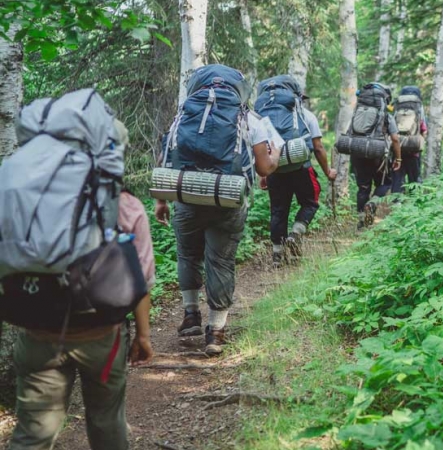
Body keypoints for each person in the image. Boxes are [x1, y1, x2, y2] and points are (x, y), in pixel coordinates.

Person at [9, 120, 155, 450]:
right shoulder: (127, 206)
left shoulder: (27, 201)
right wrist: (143, 337)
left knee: (33, 433)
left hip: (38, 336)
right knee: (107, 422)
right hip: (102, 338)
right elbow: (141, 283)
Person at [155, 65, 283, 355]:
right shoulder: (250, 118)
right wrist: (273, 158)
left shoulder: (185, 112)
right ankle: (216, 332)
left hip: (186, 195)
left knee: (188, 254)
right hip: (228, 199)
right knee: (221, 261)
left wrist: (161, 200)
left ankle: (190, 316)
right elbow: (264, 167)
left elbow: (168, 155)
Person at [255, 75, 337, 267]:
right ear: (296, 96)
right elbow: (317, 147)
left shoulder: (262, 118)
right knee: (310, 203)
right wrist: (327, 172)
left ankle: (277, 255)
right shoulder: (305, 115)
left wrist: (264, 173)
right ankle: (296, 233)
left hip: (275, 169)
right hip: (301, 168)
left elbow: (259, 147)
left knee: (278, 211)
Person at [352, 82, 403, 229]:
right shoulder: (386, 115)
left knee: (363, 188)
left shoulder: (357, 112)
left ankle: (361, 222)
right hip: (378, 154)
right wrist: (398, 158)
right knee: (384, 183)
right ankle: (373, 202)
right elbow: (395, 139)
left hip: (358, 152)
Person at [391, 85, 427, 195]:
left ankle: (397, 203)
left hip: (397, 150)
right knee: (414, 180)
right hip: (414, 150)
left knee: (397, 179)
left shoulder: (396, 106)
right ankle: (413, 203)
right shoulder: (418, 107)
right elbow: (424, 130)